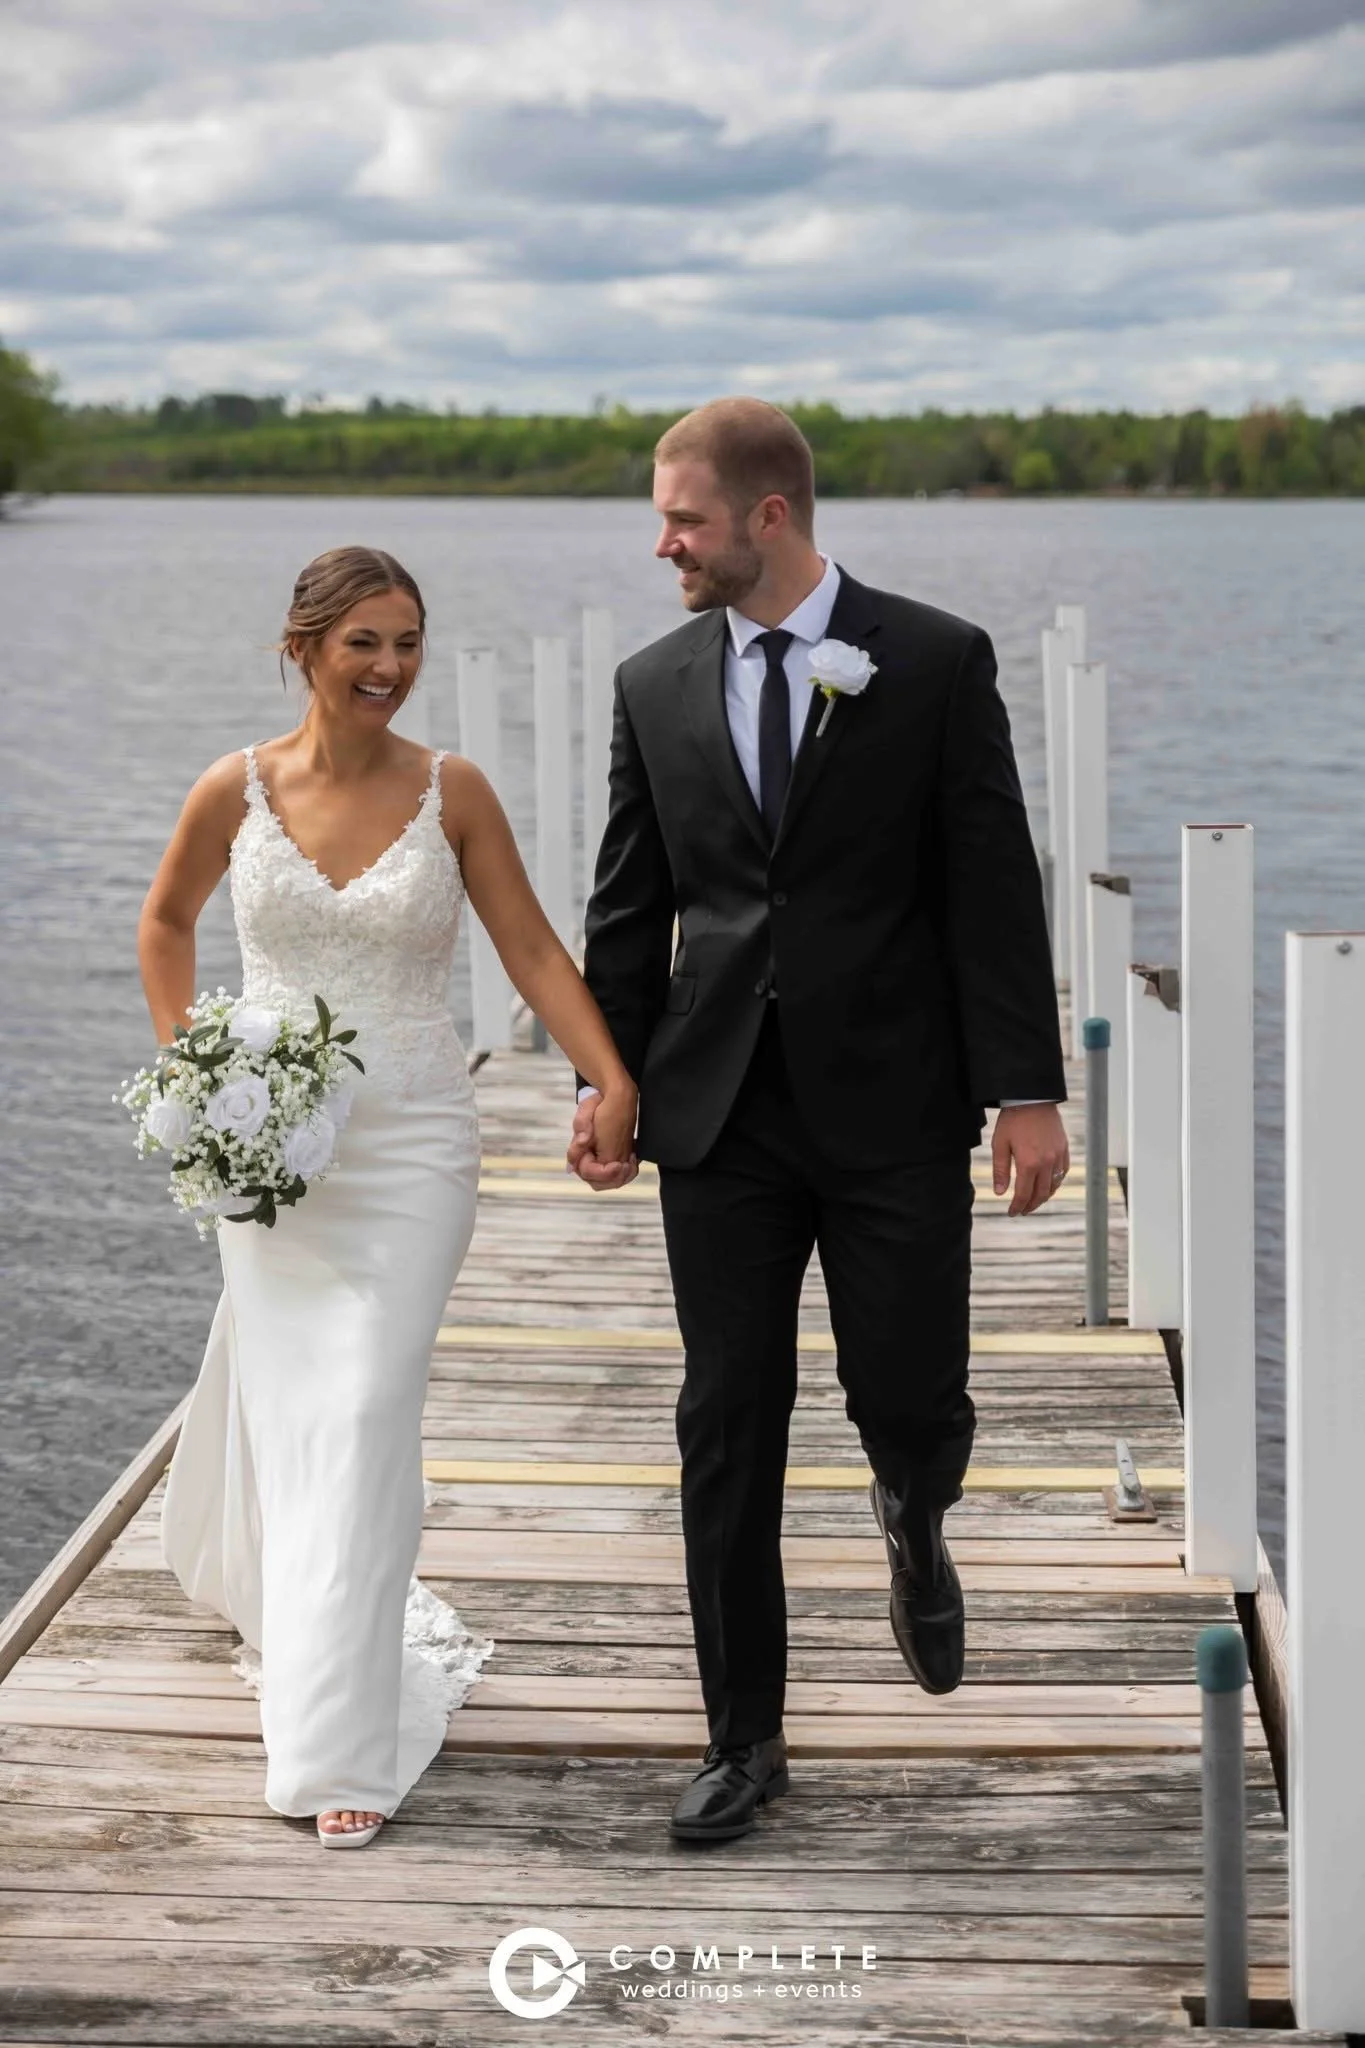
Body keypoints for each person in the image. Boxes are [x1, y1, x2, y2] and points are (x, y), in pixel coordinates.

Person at [570, 399, 1069, 1843]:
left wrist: (1025, 1090)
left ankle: (915, 1515)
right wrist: (606, 1080)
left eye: (683, 518)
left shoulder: (932, 660)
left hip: (895, 1103)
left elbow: (990, 885)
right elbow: (630, 904)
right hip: (714, 1109)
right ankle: (744, 1737)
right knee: (728, 1417)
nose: (664, 543)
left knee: (907, 1394)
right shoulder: (652, 683)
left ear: (767, 518)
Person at [141, 546, 636, 1848]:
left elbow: (528, 944)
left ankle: (338, 1738)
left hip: (417, 1140)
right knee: (306, 1411)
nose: (391, 669)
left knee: (362, 1409)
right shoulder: (230, 790)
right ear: (301, 645)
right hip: (278, 1159)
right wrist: (198, 1068)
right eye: (364, 641)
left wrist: (610, 1078)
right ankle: (307, 1632)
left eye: (408, 642)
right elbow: (165, 926)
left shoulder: (452, 792)